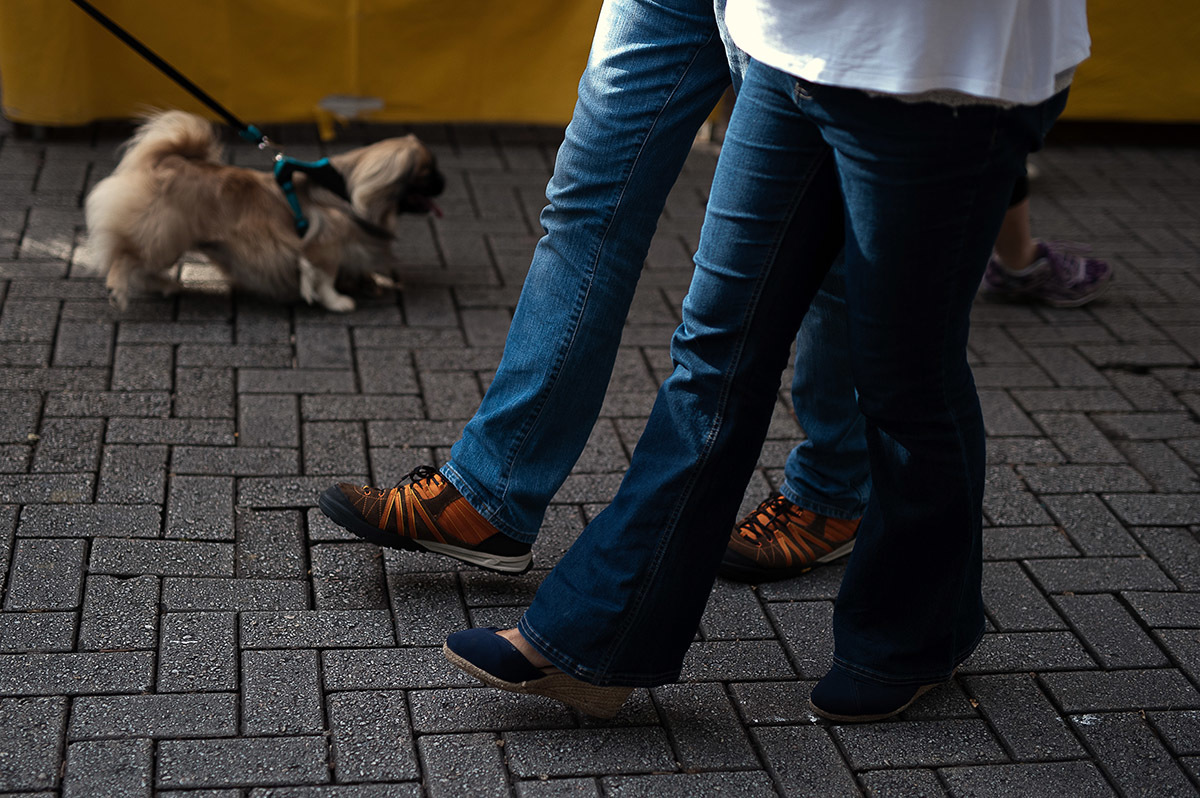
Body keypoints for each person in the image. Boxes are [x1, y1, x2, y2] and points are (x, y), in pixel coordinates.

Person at [435, 0, 1090, 723]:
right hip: (786, 47)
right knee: (714, 356)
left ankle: (913, 636)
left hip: (938, 75)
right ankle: (594, 636)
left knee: (905, 378)